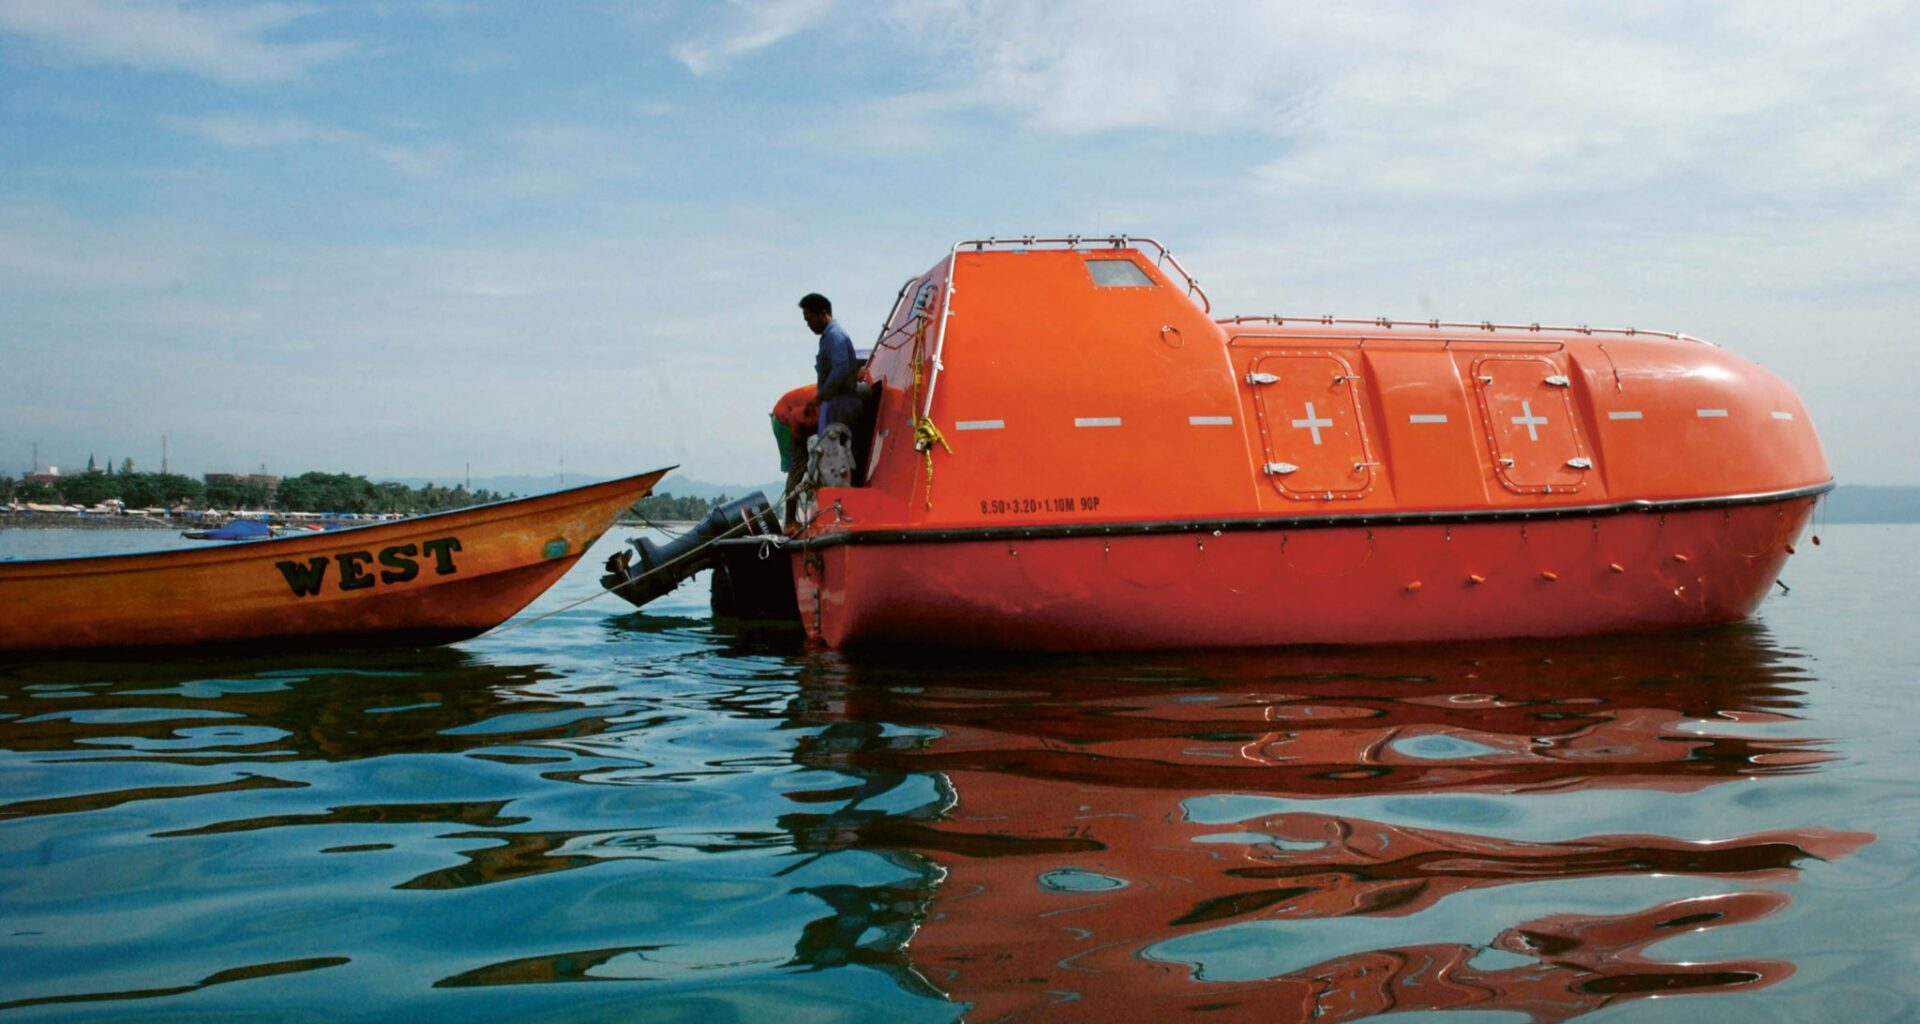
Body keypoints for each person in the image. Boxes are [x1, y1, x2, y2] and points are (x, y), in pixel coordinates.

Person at [800, 293, 860, 434]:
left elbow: (840, 368)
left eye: (810, 319)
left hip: (841, 404)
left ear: (823, 314)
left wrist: (818, 398)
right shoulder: (828, 338)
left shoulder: (835, 336)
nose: (808, 325)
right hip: (833, 404)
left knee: (834, 452)